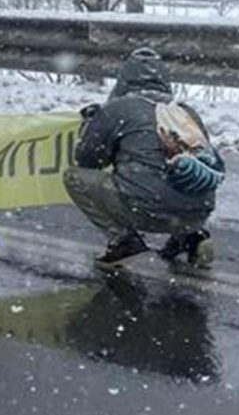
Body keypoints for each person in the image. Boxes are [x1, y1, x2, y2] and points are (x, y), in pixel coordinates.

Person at [65, 48, 225, 267]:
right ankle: (191, 237)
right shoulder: (186, 112)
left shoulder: (117, 109)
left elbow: (87, 160)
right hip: (198, 210)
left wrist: (92, 125)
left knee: (74, 177)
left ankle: (124, 240)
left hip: (146, 210)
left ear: (124, 80)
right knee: (178, 176)